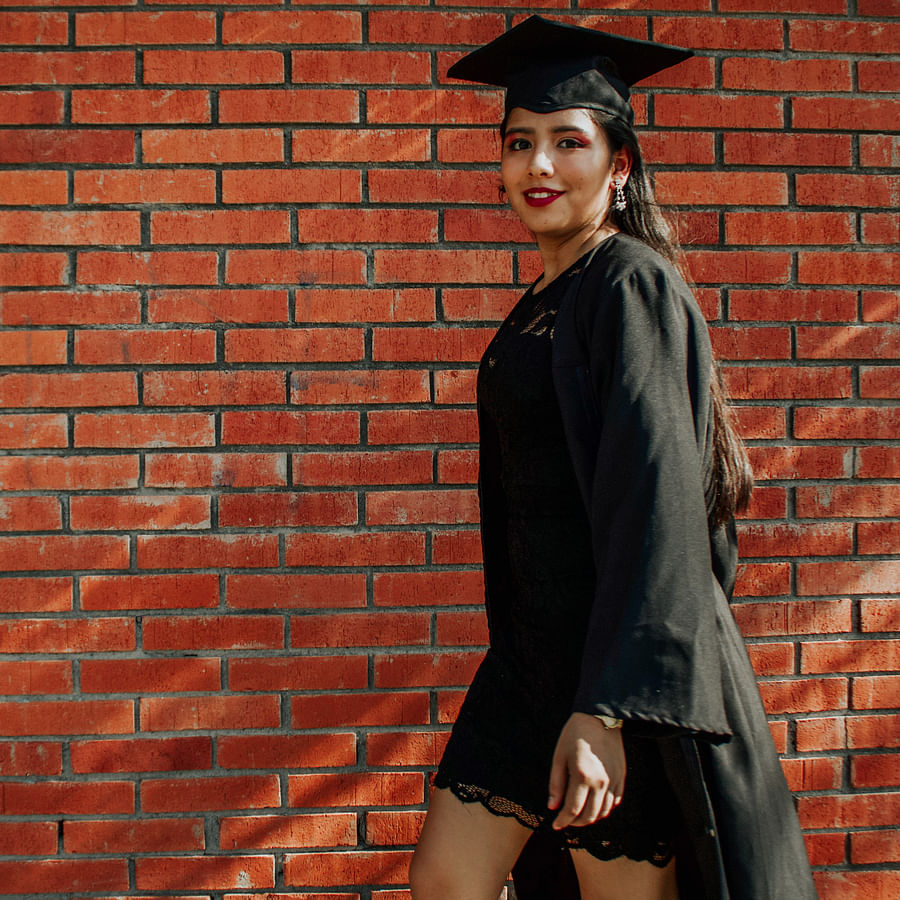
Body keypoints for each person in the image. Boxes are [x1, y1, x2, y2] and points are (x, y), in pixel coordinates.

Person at [408, 16, 818, 900]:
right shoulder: (546, 299)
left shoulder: (630, 283)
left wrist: (608, 710)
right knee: (446, 880)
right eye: (520, 144)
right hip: (529, 663)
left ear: (620, 165)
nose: (539, 167)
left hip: (612, 672)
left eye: (568, 142)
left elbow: (657, 498)